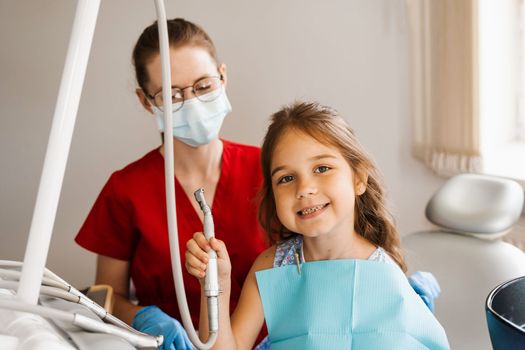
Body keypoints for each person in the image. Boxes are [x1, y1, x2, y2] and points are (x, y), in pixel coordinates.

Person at [185, 101, 449, 349]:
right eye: (286, 178)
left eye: (322, 168)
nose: (305, 188)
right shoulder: (272, 266)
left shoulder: (382, 277)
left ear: (358, 178)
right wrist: (216, 285)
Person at [75, 18, 268, 349]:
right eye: (172, 94)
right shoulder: (126, 189)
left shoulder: (268, 171)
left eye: (203, 86)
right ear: (146, 100)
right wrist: (146, 319)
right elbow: (105, 296)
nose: (191, 103)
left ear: (223, 77)